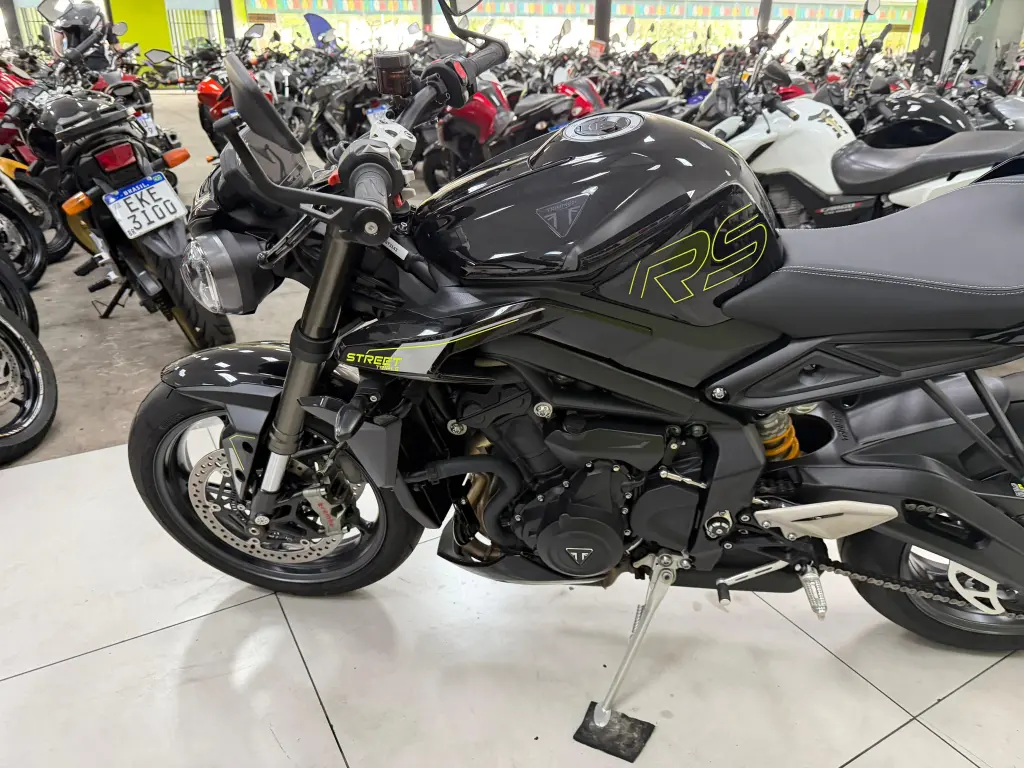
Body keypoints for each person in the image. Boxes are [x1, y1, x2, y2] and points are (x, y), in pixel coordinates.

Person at [50, 0, 123, 72]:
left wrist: (58, 60)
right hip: (100, 63)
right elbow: (116, 47)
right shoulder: (103, 22)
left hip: (75, 65)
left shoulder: (68, 21)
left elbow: (56, 40)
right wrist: (120, 56)